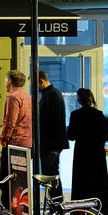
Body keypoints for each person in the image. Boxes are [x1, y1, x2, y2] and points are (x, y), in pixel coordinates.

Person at [67, 88, 108, 215]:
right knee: (98, 187)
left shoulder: (75, 115)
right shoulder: (100, 115)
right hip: (97, 156)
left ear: (79, 100)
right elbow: (106, 136)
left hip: (82, 155)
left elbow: (71, 136)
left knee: (81, 187)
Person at [0, 70, 33, 213]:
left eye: (6, 80)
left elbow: (10, 122)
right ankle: (21, 212)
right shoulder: (29, 97)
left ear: (10, 81)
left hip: (14, 144)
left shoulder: (13, 97)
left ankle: (7, 211)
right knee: (21, 181)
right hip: (28, 144)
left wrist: (4, 138)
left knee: (6, 179)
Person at [37, 71, 69, 203]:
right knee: (51, 173)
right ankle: (54, 203)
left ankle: (56, 203)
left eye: (35, 84)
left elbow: (50, 121)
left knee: (51, 174)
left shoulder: (52, 95)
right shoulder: (51, 94)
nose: (35, 88)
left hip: (51, 143)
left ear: (41, 81)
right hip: (51, 143)